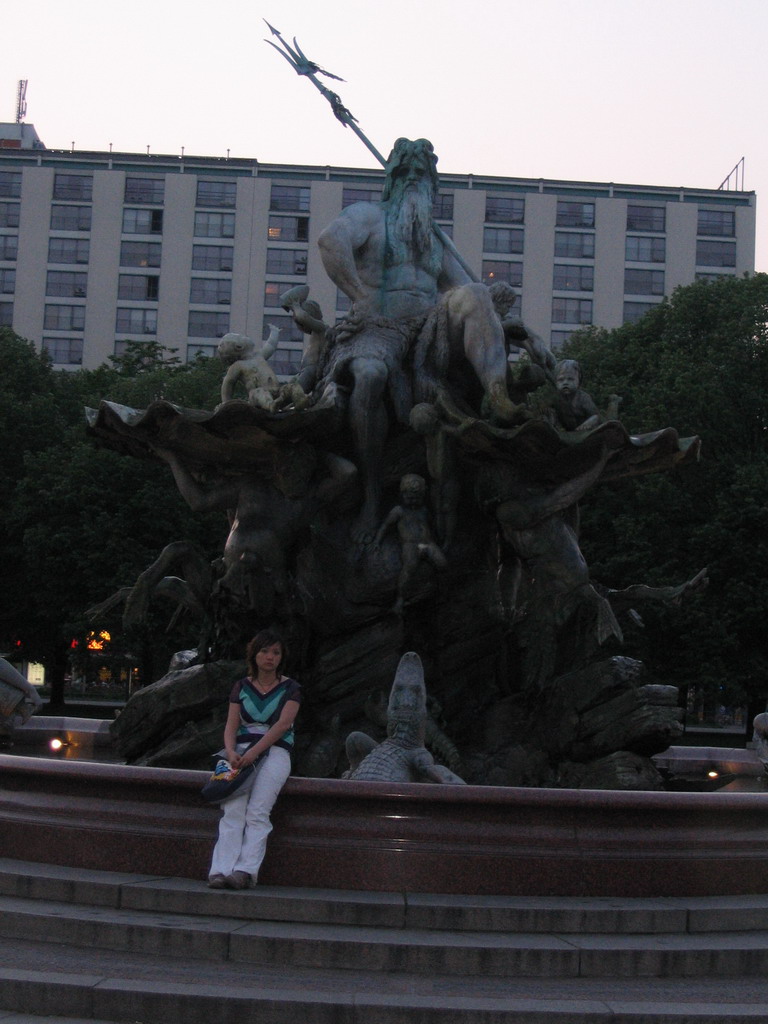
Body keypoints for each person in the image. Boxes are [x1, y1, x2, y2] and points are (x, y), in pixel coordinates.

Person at [317, 137, 526, 543]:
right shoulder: (368, 216)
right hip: (378, 326)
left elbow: (463, 293)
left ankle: (500, 397)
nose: (414, 180)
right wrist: (361, 298)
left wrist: (492, 303)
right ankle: (373, 495)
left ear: (432, 186)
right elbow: (330, 241)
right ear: (392, 180)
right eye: (405, 173)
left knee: (478, 294)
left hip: (428, 330)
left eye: (422, 175)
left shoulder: (433, 238)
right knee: (369, 375)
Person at [207, 629, 301, 889]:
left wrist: (254, 752)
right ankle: (220, 871)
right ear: (254, 654)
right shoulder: (241, 686)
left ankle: (245, 871)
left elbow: (282, 726)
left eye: (275, 652)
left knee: (258, 811)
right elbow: (230, 725)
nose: (269, 657)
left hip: (275, 751)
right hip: (238, 752)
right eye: (264, 651)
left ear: (281, 658)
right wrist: (231, 751)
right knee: (232, 809)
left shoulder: (291, 688)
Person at [374, 473, 447, 614]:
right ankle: (400, 600)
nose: (413, 500)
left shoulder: (424, 510)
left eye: (417, 498)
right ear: (402, 495)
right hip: (410, 544)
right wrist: (377, 541)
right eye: (409, 497)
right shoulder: (398, 511)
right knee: (409, 567)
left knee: (442, 563)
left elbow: (432, 524)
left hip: (428, 543)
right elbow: (385, 526)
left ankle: (443, 590)